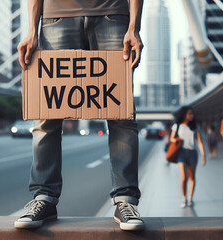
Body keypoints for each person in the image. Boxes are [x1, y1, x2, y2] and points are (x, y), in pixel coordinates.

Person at [15, 0, 144, 231]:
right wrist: (32, 29)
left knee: (121, 113)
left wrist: (134, 27)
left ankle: (125, 201)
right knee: (47, 113)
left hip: (112, 13)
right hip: (56, 17)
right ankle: (44, 198)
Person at [170, 106, 206, 208]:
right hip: (181, 152)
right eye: (189, 113)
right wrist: (176, 139)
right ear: (184, 114)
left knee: (192, 177)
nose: (192, 116)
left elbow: (199, 141)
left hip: (192, 153)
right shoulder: (177, 126)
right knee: (184, 177)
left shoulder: (195, 126)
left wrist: (203, 155)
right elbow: (171, 138)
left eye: (192, 114)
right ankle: (184, 197)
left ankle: (190, 198)